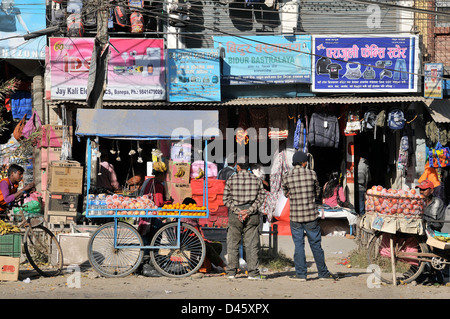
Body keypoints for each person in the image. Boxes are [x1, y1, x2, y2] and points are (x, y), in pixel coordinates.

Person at [281, 151, 337, 282]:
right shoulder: (312, 174)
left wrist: (293, 194)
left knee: (299, 245)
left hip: (295, 216)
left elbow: (285, 193)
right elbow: (317, 191)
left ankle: (301, 274)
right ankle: (323, 273)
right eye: (306, 161)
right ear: (303, 162)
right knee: (316, 244)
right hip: (311, 215)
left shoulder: (287, 175)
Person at [223, 156, 266, 280]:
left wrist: (238, 211)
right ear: (248, 167)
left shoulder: (231, 180)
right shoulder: (257, 180)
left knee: (233, 243)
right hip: (252, 215)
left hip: (235, 215)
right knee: (252, 244)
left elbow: (226, 199)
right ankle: (253, 273)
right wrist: (249, 211)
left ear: (238, 166)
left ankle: (231, 272)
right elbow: (261, 198)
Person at [180, 197, 227, 273]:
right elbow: (178, 233)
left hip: (197, 240)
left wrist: (203, 239)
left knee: (218, 245)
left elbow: (199, 231)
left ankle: (208, 266)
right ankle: (223, 266)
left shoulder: (193, 217)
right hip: (188, 242)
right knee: (207, 247)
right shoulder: (182, 218)